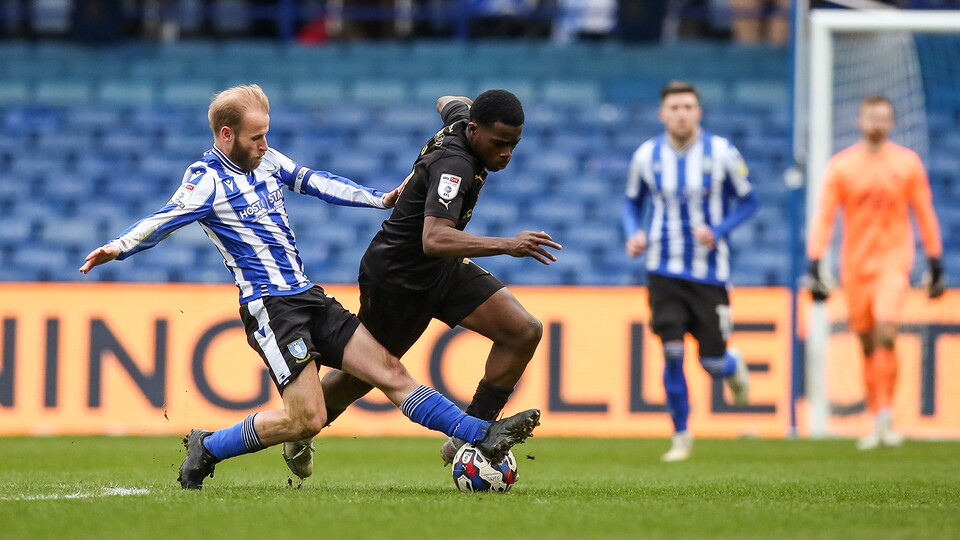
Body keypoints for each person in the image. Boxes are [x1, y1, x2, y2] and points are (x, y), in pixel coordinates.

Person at [78, 84, 541, 490]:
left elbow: (313, 181)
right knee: (308, 417)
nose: (265, 145)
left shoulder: (266, 159)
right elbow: (165, 220)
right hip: (271, 310)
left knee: (390, 374)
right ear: (226, 136)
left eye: (266, 135)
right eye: (256, 137)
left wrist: (376, 198)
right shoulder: (206, 182)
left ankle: (477, 434)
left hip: (307, 295)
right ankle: (209, 445)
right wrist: (117, 247)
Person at [280, 89, 561, 478]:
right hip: (399, 279)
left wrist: (458, 110)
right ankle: (302, 427)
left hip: (441, 270)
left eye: (514, 144)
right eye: (499, 144)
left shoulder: (462, 120)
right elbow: (434, 239)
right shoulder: (455, 165)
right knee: (366, 374)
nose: (506, 154)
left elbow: (447, 99)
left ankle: (470, 432)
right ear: (475, 131)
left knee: (523, 330)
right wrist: (508, 244)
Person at [622, 81, 757, 462]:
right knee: (672, 352)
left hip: (710, 273)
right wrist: (633, 232)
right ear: (662, 114)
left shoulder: (723, 153)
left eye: (688, 106)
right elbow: (632, 203)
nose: (681, 113)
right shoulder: (647, 155)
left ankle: (732, 365)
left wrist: (718, 231)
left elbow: (750, 201)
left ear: (699, 112)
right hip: (662, 269)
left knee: (712, 362)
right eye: (674, 107)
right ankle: (681, 436)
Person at [806, 94, 944, 451]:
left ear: (892, 123)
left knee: (886, 330)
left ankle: (887, 419)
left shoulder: (907, 163)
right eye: (872, 117)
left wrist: (935, 259)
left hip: (894, 262)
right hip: (855, 267)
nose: (877, 124)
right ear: (860, 120)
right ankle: (876, 415)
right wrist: (814, 261)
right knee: (866, 342)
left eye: (884, 118)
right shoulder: (842, 166)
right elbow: (825, 217)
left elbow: (924, 211)